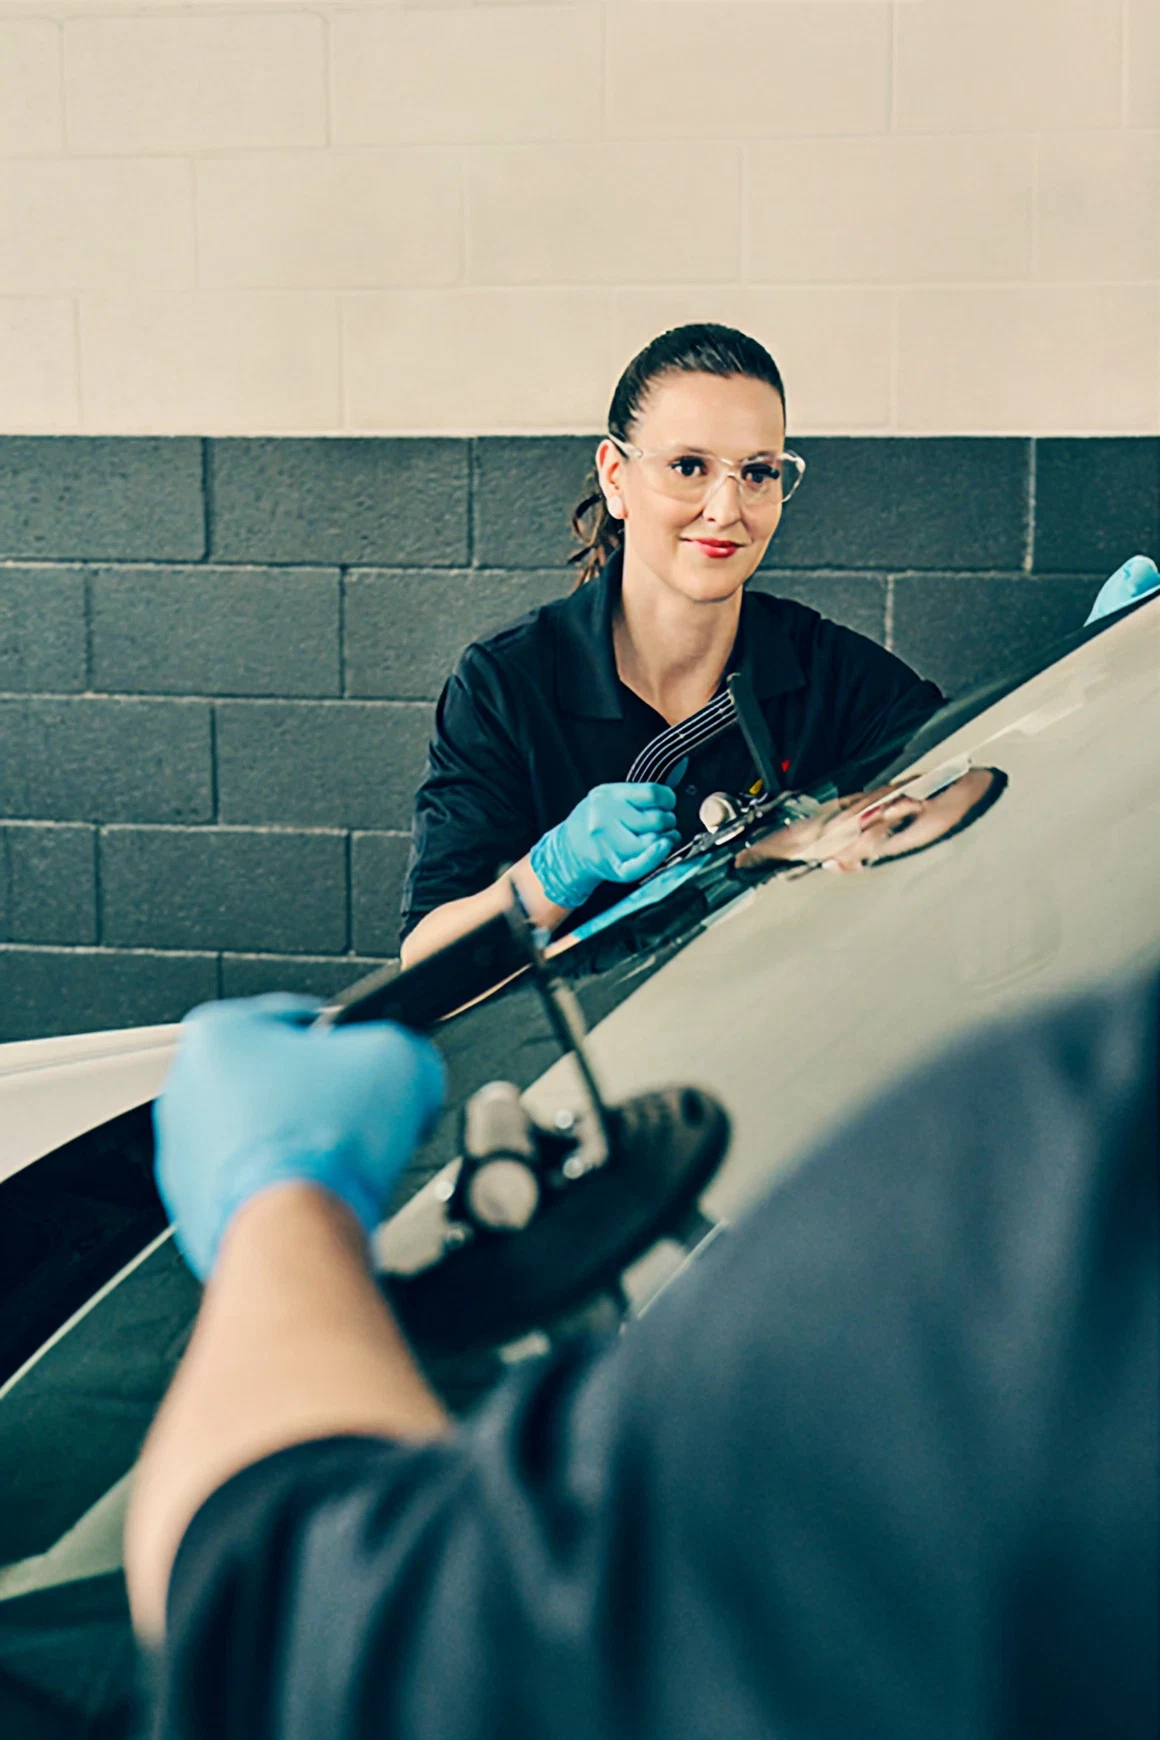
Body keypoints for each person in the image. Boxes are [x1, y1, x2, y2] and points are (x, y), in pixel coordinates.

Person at [129, 971, 1158, 1739]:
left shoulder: (1072, 1214)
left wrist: (279, 1195)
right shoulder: (505, 690)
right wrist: (531, 887)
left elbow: (306, 1638)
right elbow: (440, 936)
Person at [399, 323, 946, 967]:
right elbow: (426, 962)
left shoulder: (832, 673)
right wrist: (552, 873)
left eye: (758, 473)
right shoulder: (508, 683)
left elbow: (965, 782)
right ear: (615, 477)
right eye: (688, 467)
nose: (726, 508)